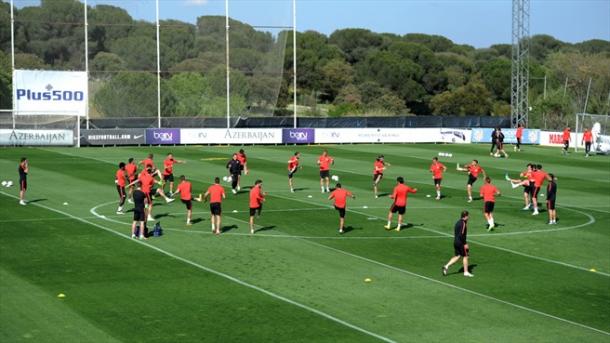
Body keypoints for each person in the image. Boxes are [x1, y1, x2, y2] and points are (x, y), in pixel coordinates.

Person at [442, 210, 474, 278]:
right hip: (460, 242)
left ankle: (446, 266)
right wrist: (465, 244)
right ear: (465, 216)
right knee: (465, 256)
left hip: (455, 241)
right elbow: (462, 235)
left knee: (457, 256)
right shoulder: (463, 224)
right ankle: (466, 272)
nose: (468, 217)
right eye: (468, 216)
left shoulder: (458, 222)